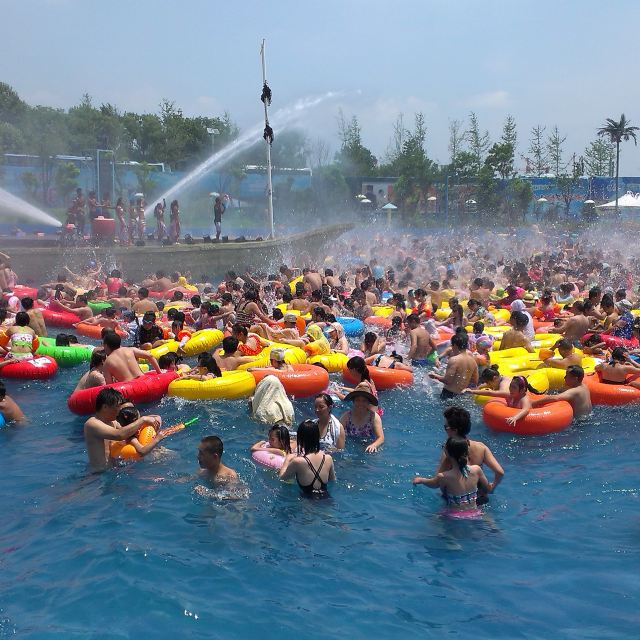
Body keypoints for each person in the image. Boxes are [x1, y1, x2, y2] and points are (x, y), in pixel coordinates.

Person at [83, 388, 161, 472]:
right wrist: (143, 419)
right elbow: (119, 435)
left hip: (114, 470)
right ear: (105, 407)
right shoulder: (92, 424)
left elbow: (130, 433)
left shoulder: (113, 422)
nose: (119, 410)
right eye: (117, 406)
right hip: (98, 475)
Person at [434, 405, 504, 497]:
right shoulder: (481, 447)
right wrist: (491, 488)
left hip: (456, 501)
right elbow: (500, 472)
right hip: (479, 497)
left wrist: (421, 480)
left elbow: (436, 482)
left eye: (445, 427)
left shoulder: (449, 450)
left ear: (454, 430)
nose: (445, 430)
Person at [413, 436, 490, 515]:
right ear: (466, 452)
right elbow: (486, 488)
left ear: (447, 453)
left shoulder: (444, 477)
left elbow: (433, 484)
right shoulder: (476, 469)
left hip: (454, 515)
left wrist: (421, 480)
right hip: (475, 512)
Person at [278, 420, 336, 498]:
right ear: (317, 437)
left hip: (307, 503)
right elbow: (332, 481)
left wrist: (287, 459)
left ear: (301, 440)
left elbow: (282, 478)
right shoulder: (328, 458)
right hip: (326, 499)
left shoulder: (298, 462)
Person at [462, 375, 532, 426]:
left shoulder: (524, 399)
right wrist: (472, 391)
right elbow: (491, 393)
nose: (510, 388)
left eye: (514, 387)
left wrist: (515, 417)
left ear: (522, 390)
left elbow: (526, 409)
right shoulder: (511, 394)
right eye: (510, 386)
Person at [429, 333, 478, 400]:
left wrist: (434, 376)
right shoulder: (473, 361)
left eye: (452, 345)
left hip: (449, 394)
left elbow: (447, 380)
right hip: (463, 396)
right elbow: (474, 381)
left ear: (455, 345)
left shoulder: (454, 360)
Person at [339, 388, 384, 453]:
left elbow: (381, 437)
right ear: (353, 401)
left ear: (368, 402)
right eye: (357, 400)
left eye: (364, 401)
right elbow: (336, 433)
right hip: (350, 446)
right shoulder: (346, 416)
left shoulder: (373, 417)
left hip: (367, 445)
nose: (360, 403)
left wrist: (374, 445)